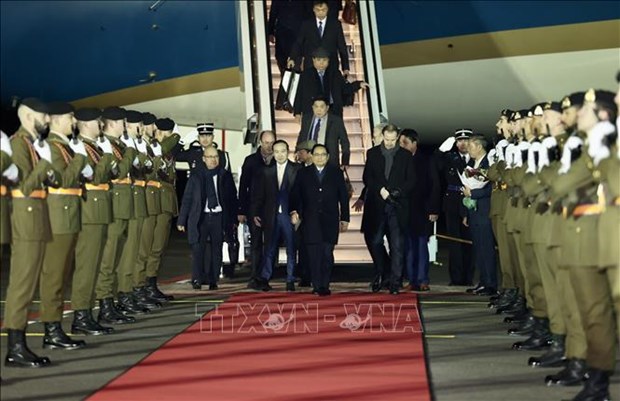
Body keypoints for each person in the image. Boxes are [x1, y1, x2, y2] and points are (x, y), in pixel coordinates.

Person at [4, 98, 56, 367]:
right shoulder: (19, 143)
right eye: (42, 116)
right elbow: (24, 187)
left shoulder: (32, 144)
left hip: (35, 219)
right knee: (22, 285)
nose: (47, 120)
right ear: (26, 116)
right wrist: (46, 164)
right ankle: (15, 347)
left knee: (28, 284)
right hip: (26, 221)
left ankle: (19, 345)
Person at [39, 102, 91, 350]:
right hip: (58, 217)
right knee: (54, 276)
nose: (74, 123)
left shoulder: (63, 146)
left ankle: (55, 327)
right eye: (70, 118)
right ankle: (51, 330)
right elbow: (64, 179)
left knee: (61, 275)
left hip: (67, 216)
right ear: (57, 120)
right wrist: (80, 159)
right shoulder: (52, 147)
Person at [70, 107, 116, 336]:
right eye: (98, 122)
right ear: (86, 123)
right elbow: (97, 176)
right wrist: (108, 157)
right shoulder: (80, 146)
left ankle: (87, 313)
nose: (101, 125)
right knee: (86, 266)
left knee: (95, 265)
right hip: (89, 213)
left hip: (98, 211)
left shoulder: (93, 147)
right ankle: (81, 315)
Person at [362, 124, 415, 295]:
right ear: (382, 136)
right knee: (375, 241)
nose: (390, 142)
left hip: (397, 207)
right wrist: (380, 190)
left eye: (393, 140)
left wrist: (398, 192)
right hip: (377, 206)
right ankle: (383, 273)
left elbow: (411, 180)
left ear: (398, 138)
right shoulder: (373, 153)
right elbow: (367, 177)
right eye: (387, 139)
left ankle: (395, 282)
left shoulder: (406, 155)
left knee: (397, 245)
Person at [290, 144, 349, 295]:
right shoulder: (303, 173)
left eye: (323, 154)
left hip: (330, 219)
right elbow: (296, 194)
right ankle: (317, 285)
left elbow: (343, 196)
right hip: (310, 220)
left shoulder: (336, 173)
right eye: (317, 154)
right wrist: (295, 211)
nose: (320, 157)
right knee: (314, 255)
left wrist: (345, 218)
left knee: (327, 254)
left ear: (328, 157)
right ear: (311, 156)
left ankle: (325, 284)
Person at [177, 146, 238, 290]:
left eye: (216, 156)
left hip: (218, 217)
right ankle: (197, 278)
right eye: (210, 157)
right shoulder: (196, 175)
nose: (213, 160)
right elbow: (188, 198)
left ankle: (213, 279)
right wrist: (182, 219)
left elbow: (232, 199)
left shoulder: (224, 175)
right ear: (204, 159)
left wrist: (234, 219)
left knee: (216, 250)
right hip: (200, 217)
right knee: (198, 249)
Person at [251, 140, 301, 291]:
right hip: (271, 215)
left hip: (289, 214)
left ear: (288, 151)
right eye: (277, 151)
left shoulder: (297, 169)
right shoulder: (266, 171)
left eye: (283, 151)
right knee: (270, 248)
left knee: (291, 248)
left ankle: (290, 279)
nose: (280, 154)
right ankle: (265, 278)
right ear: (273, 152)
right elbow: (259, 195)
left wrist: (297, 211)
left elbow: (301, 194)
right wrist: (255, 213)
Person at [399, 129, 440, 292]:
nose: (402, 146)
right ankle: (412, 279)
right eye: (400, 143)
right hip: (405, 210)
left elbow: (435, 185)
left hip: (422, 210)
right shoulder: (400, 159)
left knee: (421, 245)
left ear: (415, 143)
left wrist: (433, 209)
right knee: (408, 247)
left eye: (405, 143)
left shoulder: (426, 160)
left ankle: (423, 279)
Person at [144, 117, 180, 302]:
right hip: (154, 198)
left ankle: (150, 284)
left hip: (165, 199)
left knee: (158, 247)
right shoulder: (151, 146)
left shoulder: (162, 146)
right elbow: (169, 143)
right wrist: (171, 136)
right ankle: (143, 286)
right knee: (149, 247)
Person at [435, 129, 474, 286]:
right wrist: (440, 151)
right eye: (460, 141)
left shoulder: (476, 158)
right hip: (452, 203)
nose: (463, 144)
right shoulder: (449, 158)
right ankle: (456, 278)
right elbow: (436, 166)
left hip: (471, 201)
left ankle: (468, 277)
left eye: (466, 140)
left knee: (469, 242)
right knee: (454, 242)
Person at [238, 130, 276, 289]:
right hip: (254, 209)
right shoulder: (251, 161)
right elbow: (243, 186)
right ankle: (254, 276)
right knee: (255, 244)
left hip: (272, 210)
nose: (269, 146)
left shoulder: (278, 160)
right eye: (266, 142)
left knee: (270, 244)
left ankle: (266, 276)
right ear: (260, 142)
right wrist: (241, 209)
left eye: (271, 142)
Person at [462, 135, 497, 296]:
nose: (468, 149)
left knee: (486, 248)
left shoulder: (488, 162)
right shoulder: (472, 163)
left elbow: (491, 188)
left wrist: (473, 193)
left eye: (470, 146)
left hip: (484, 209)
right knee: (479, 248)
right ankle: (483, 281)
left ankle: (491, 283)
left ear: (479, 147)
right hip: (474, 211)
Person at [293, 47, 368, 119]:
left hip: (333, 111)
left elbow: (345, 89)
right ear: (313, 60)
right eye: (318, 60)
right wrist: (297, 113)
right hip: (313, 111)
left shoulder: (335, 73)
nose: (321, 63)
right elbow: (299, 93)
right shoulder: (306, 74)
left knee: (334, 131)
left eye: (324, 60)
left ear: (328, 61)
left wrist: (359, 84)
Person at [288, 0, 349, 75]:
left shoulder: (335, 25)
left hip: (330, 65)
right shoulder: (306, 25)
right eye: (318, 10)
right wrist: (292, 58)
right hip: (311, 65)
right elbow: (298, 43)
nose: (320, 12)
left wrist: (345, 67)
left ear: (327, 9)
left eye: (323, 10)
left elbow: (341, 46)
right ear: (313, 9)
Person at [297, 96, 350, 167]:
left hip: (329, 162)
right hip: (309, 160)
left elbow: (345, 142)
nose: (318, 110)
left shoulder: (336, 121)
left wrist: (345, 162)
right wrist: (298, 152)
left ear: (327, 108)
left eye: (322, 107)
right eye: (316, 107)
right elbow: (301, 136)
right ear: (312, 107)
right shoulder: (307, 119)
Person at [268, 0, 308, 75]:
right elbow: (273, 12)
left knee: (296, 60)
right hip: (282, 33)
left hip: (297, 33)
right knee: (281, 58)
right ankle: (285, 78)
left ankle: (293, 80)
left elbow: (308, 13)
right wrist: (270, 32)